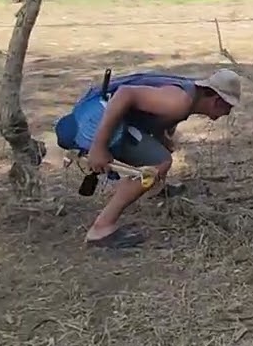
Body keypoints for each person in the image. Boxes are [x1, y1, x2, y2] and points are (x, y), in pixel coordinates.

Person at [83, 68, 241, 248]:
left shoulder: (188, 97)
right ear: (216, 100)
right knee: (160, 162)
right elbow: (125, 94)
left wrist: (162, 138)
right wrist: (98, 147)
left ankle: (154, 188)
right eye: (228, 106)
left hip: (117, 121)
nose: (227, 113)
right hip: (96, 122)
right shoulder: (179, 101)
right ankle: (101, 229)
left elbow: (149, 116)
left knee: (164, 147)